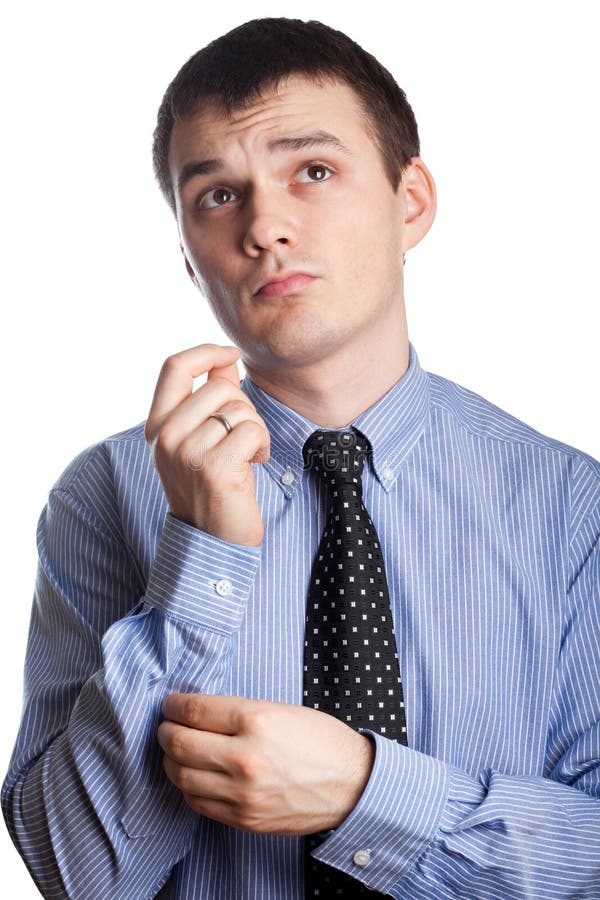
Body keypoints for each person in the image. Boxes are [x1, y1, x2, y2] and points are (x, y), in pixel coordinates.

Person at [2, 15, 599, 899]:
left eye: (312, 172)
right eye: (216, 195)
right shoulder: (108, 492)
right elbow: (75, 875)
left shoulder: (567, 502)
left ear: (412, 200)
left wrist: (366, 793)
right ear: (187, 257)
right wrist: (204, 557)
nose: (266, 226)